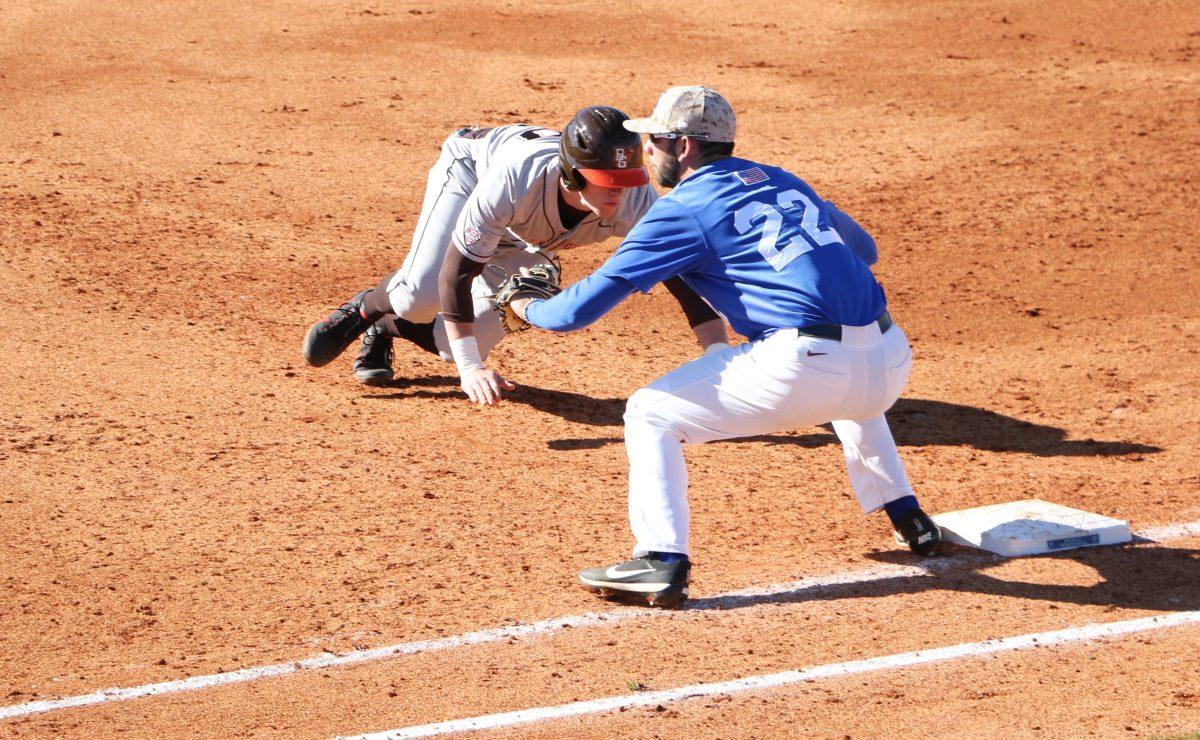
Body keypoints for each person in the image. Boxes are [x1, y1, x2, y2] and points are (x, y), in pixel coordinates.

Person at [510, 86, 942, 608]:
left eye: (656, 141)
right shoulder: (783, 178)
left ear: (684, 147)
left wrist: (525, 304)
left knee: (649, 413)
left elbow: (573, 313)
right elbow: (865, 251)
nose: (648, 152)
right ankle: (908, 516)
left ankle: (660, 559)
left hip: (805, 367)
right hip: (891, 360)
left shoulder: (683, 210)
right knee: (848, 378)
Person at [300, 106, 729, 404]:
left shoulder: (636, 199)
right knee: (420, 297)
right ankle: (367, 308)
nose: (618, 190)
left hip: (525, 235)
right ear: (573, 174)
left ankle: (389, 329)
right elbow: (459, 270)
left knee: (455, 344)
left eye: (626, 178)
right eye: (605, 180)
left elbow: (679, 273)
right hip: (471, 175)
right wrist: (471, 371)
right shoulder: (515, 180)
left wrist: (716, 354)